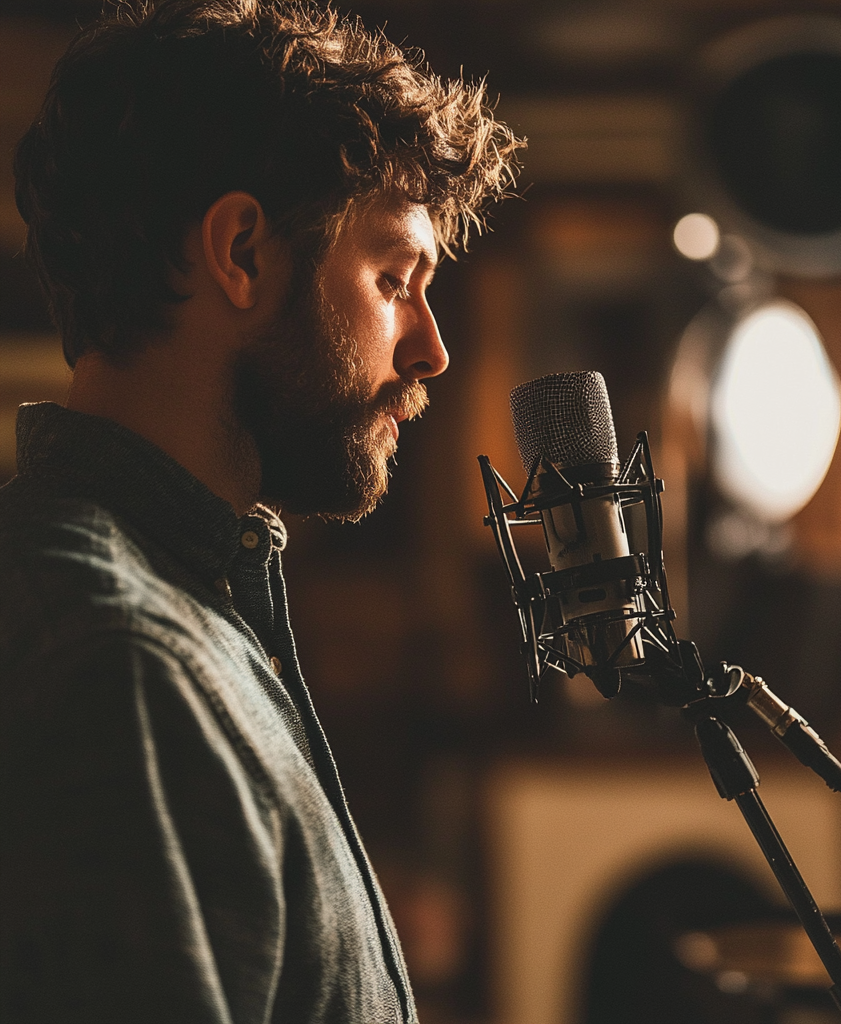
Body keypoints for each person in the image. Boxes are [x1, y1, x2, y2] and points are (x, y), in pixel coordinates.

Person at [0, 1, 520, 1021]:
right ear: (240, 251)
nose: (429, 351)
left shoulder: (188, 612)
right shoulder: (120, 662)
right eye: (392, 278)